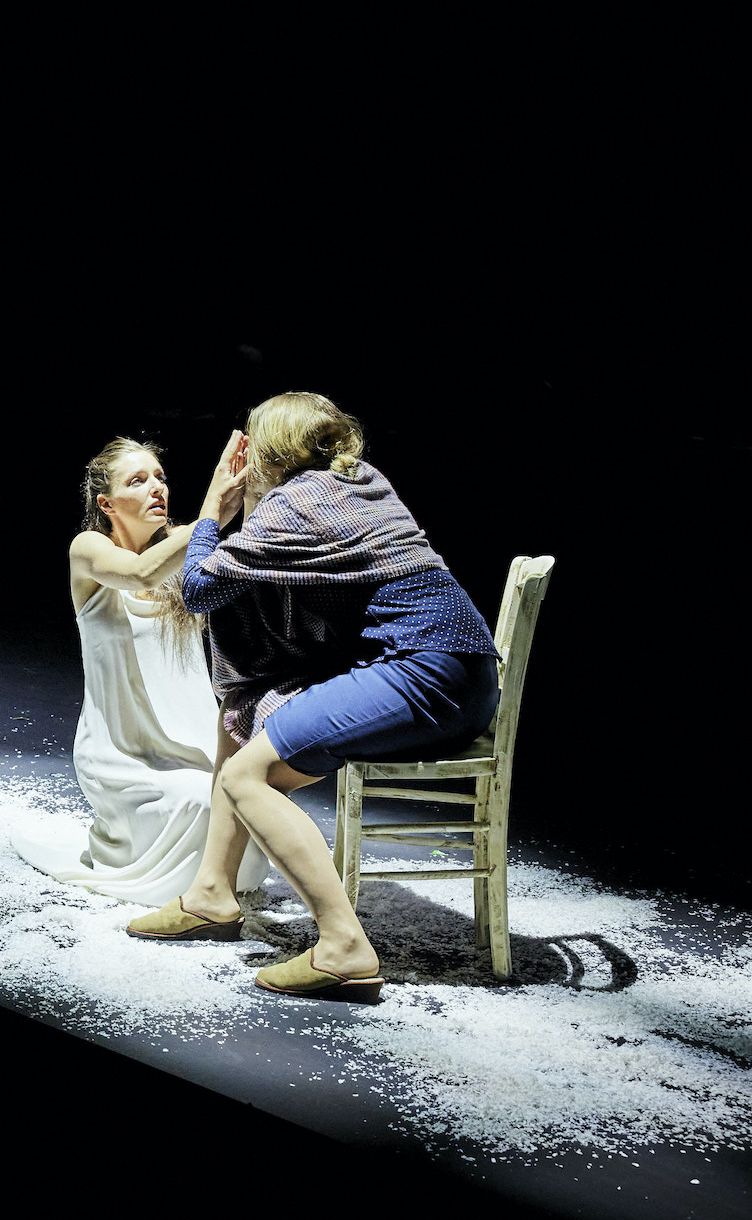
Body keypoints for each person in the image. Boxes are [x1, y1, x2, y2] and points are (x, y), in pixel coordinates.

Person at [124, 393, 500, 1003]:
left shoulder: (293, 503)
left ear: (267, 451)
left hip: (424, 675)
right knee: (243, 713)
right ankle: (211, 896)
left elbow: (197, 590)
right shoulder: (361, 479)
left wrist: (217, 508)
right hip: (463, 673)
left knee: (249, 774)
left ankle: (342, 947)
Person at [10, 436, 270, 904]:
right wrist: (212, 511)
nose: (157, 489)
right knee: (201, 803)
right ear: (107, 503)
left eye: (160, 477)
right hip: (120, 751)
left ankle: (212, 891)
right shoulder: (89, 549)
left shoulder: (182, 544)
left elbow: (247, 547)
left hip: (192, 742)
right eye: (138, 480)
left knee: (247, 797)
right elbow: (140, 573)